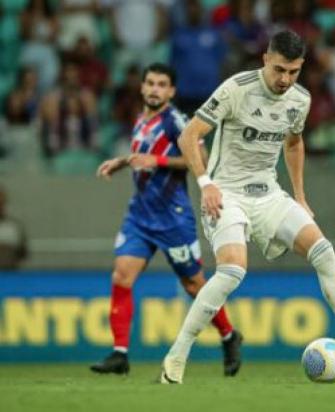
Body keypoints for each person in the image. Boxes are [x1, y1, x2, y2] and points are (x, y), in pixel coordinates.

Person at [158, 30, 335, 385]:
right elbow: (188, 136)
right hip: (227, 194)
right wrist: (206, 184)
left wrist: (300, 196)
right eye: (279, 70)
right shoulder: (236, 89)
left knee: (324, 251)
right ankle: (177, 356)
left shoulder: (299, 99)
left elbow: (293, 143)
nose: (285, 80)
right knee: (232, 272)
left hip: (269, 195)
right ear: (265, 60)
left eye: (293, 72)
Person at [90, 63, 242, 377]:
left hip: (173, 219)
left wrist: (157, 160)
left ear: (171, 91)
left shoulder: (176, 121)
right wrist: (121, 162)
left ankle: (228, 335)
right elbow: (141, 156)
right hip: (140, 217)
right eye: (150, 83)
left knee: (195, 286)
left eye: (162, 84)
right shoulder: (141, 119)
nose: (154, 89)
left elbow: (198, 160)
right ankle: (120, 354)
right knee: (121, 276)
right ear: (143, 87)